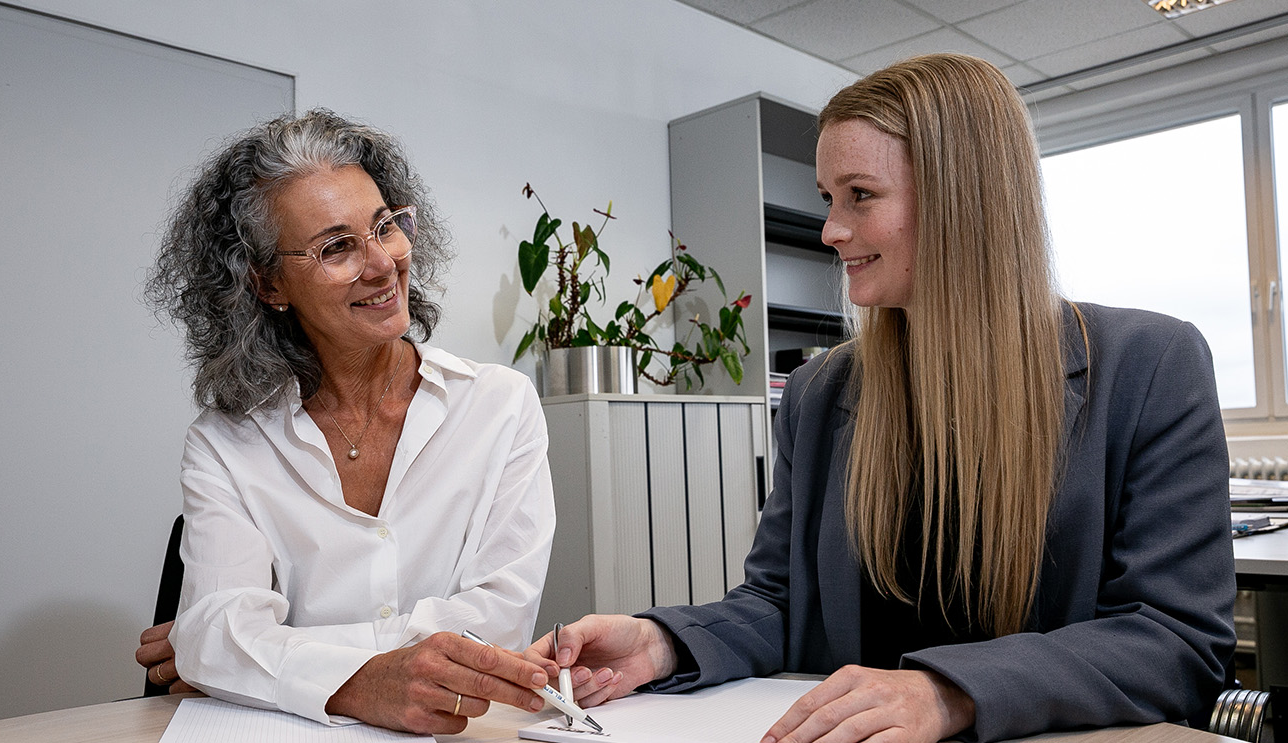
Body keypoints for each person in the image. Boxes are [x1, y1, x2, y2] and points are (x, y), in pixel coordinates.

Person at [529, 54, 1236, 743]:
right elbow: (781, 604)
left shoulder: (1149, 365)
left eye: (860, 196)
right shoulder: (818, 391)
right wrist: (661, 644)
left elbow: (1174, 640)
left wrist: (947, 692)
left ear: (965, 197)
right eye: (828, 200)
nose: (832, 230)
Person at [135, 109, 556, 735]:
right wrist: (358, 679)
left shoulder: (501, 406)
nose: (383, 263)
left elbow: (497, 625)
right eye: (336, 247)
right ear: (268, 282)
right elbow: (218, 636)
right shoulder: (224, 445)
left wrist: (261, 657)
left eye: (385, 226)